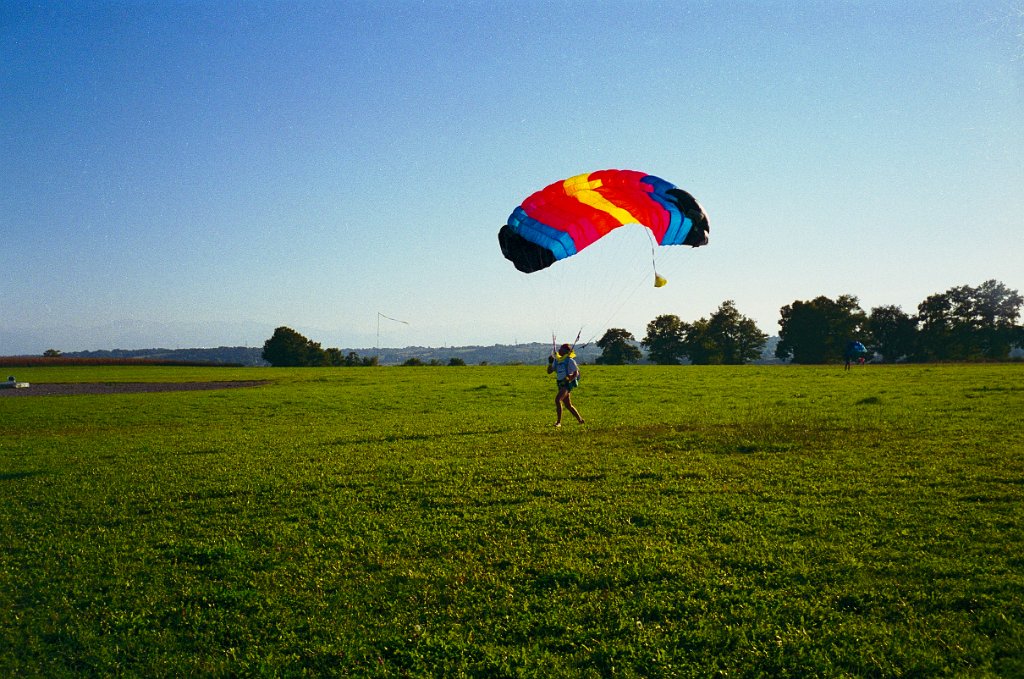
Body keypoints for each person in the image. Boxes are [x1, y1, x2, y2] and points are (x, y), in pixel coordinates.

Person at [547, 343, 584, 427]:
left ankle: (558, 422)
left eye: (561, 349)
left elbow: (576, 373)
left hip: (567, 384)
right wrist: (550, 363)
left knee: (557, 400)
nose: (559, 350)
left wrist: (568, 379)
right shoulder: (557, 360)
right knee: (568, 405)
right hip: (560, 384)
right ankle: (580, 420)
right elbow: (549, 371)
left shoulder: (570, 360)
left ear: (566, 351)